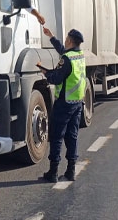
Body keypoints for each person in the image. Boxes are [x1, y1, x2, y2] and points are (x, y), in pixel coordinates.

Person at [38, 27, 86, 183]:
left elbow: (57, 78)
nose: (65, 40)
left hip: (64, 103)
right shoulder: (79, 55)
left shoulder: (67, 59)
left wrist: (46, 73)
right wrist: (51, 37)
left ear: (70, 41)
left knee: (57, 136)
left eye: (66, 39)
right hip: (77, 102)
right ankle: (71, 171)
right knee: (72, 136)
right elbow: (63, 51)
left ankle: (53, 172)